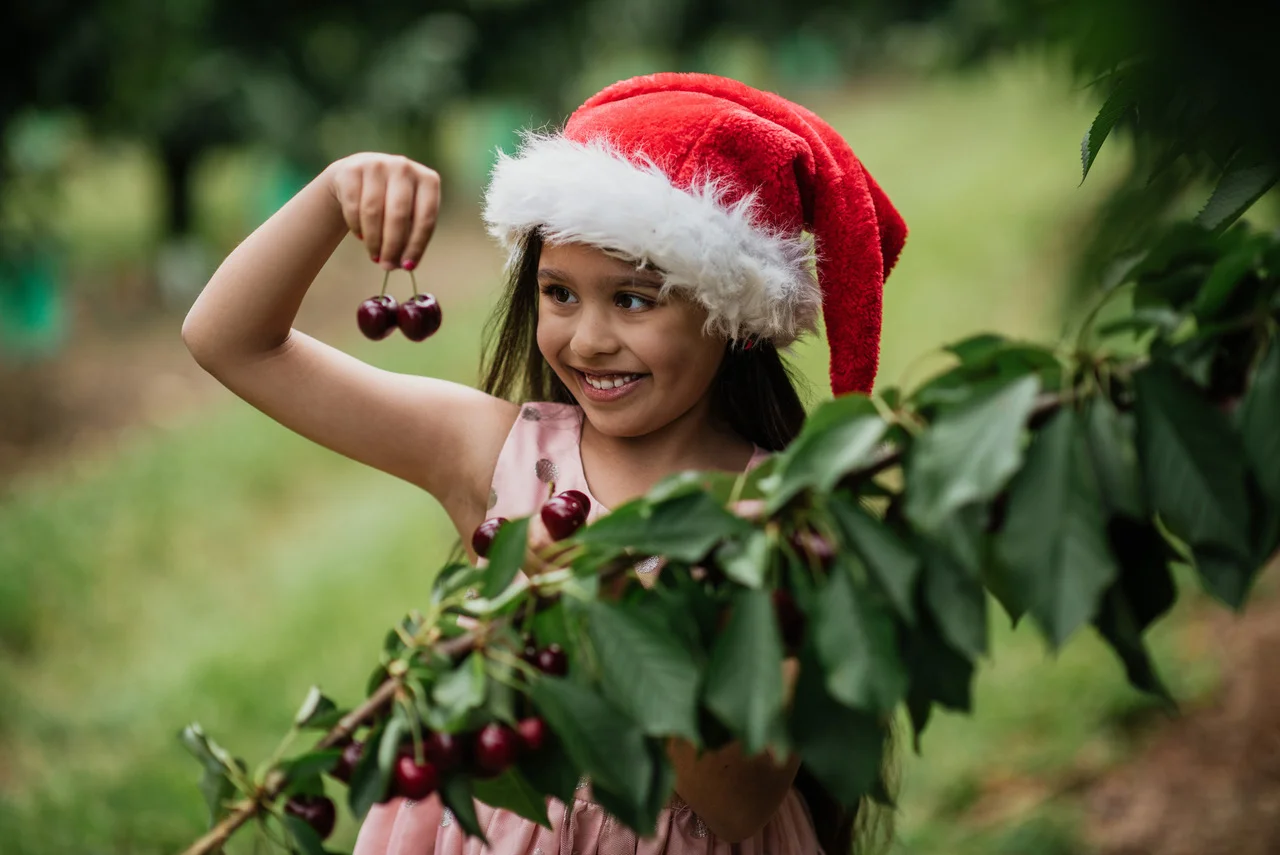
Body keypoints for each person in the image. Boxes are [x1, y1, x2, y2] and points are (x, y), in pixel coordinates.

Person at [182, 72, 906, 855]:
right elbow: (232, 341)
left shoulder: (778, 517)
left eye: (633, 299)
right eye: (559, 293)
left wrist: (612, 604)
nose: (586, 338)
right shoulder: (502, 457)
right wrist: (334, 193)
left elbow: (740, 796)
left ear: (733, 316)